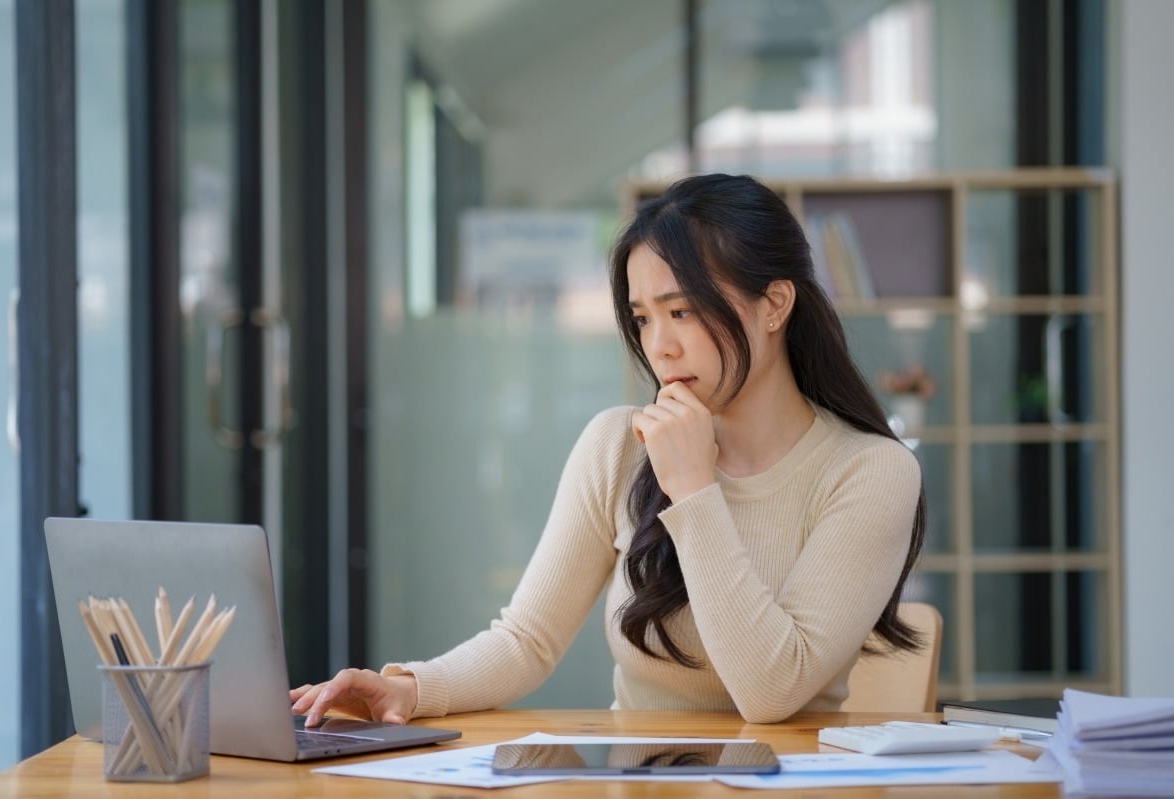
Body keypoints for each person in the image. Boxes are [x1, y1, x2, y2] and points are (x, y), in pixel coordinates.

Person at [290, 172, 926, 726]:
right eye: (644, 318)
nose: (660, 346)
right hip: (640, 781)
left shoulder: (870, 472)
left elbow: (771, 691)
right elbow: (527, 640)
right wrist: (410, 687)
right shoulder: (618, 445)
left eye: (682, 311)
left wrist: (695, 487)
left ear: (775, 304)